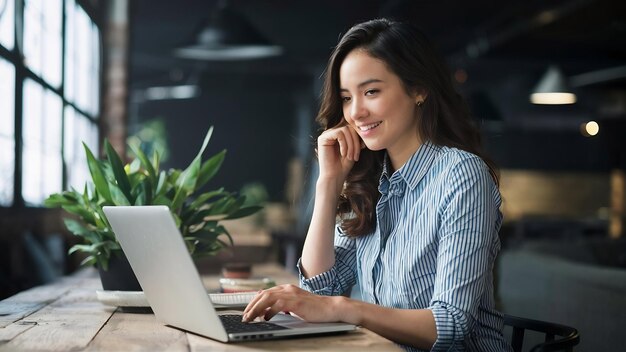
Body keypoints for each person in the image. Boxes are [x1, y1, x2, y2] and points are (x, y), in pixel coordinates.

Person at [243, 18, 512, 351]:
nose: (356, 112)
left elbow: (450, 323)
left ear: (419, 89)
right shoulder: (369, 179)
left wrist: (345, 309)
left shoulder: (461, 175)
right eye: (345, 98)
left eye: (371, 91)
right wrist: (328, 184)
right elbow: (319, 292)